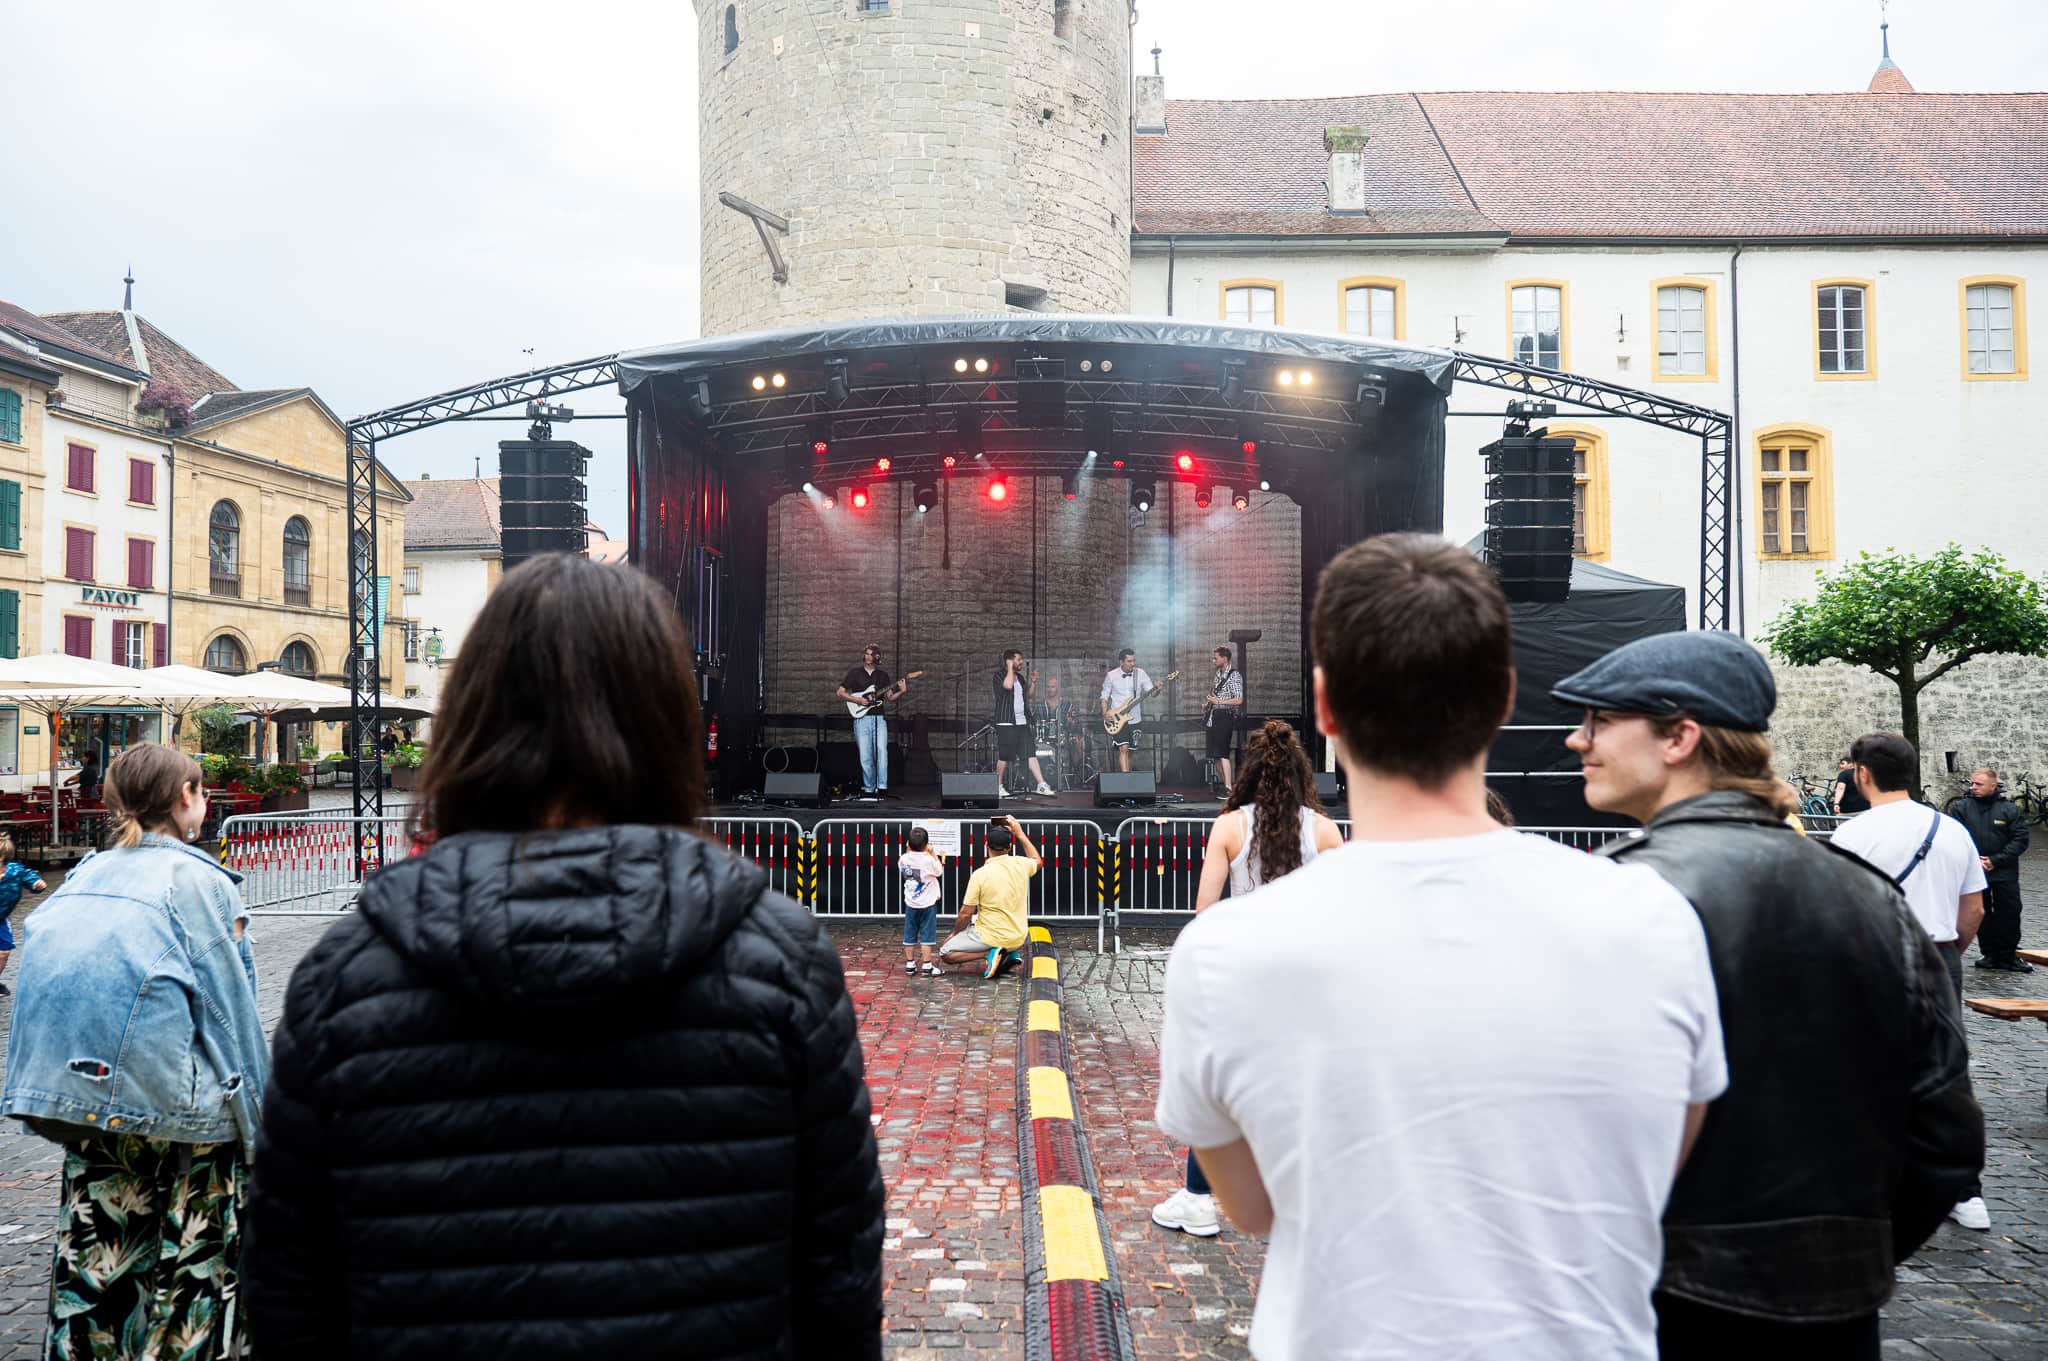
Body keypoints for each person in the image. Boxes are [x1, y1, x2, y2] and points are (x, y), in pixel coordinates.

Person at [244, 554, 885, 1360]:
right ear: (665, 721)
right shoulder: (784, 964)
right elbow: (839, 1291)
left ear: (473, 717)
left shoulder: (343, 979)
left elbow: (288, 1301)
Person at [1157, 533, 1725, 1361]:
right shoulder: (1654, 919)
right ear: (1503, 697)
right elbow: (1662, 1164)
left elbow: (1251, 1205)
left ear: (1326, 706)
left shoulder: (1221, 953)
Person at [1553, 633, 1984, 1360]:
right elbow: (1946, 1136)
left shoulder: (1614, 892)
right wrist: (1839, 1259)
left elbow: (1556, 1133)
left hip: (1655, 1311)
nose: (1578, 739)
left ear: (1680, 738)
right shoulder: (1872, 898)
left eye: (1600, 720)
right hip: (1835, 1318)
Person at [2, 743, 268, 1361]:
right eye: (200, 790)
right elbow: (231, 1009)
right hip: (186, 1115)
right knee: (192, 1283)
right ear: (186, 798)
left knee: (97, 1270)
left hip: (88, 1106)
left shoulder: (85, 874)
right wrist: (262, 1132)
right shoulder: (201, 881)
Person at [1152, 719, 1342, 1240]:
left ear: (1249, 772)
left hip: (1243, 974)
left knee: (1222, 1088)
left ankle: (1197, 1199)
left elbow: (1205, 909)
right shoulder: (1325, 832)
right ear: (1301, 773)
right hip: (1305, 977)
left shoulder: (1230, 826)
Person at [1831, 732, 1992, 1233]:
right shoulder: (1952, 829)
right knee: (1947, 1069)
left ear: (1863, 774)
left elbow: (1838, 911)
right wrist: (1949, 952)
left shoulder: (1852, 835)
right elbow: (1974, 909)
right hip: (1939, 953)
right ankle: (1966, 1192)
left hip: (1874, 955)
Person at [1945, 766, 2032, 973]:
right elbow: (1953, 836)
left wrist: (1996, 860)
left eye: (1979, 784)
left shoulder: (2009, 809)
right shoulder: (1961, 807)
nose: (1973, 787)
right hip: (1974, 871)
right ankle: (1990, 954)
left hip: (2004, 871)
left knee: (2009, 912)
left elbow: (2020, 839)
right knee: (1980, 913)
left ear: (1993, 786)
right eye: (1972, 783)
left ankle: (2008, 955)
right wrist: (1974, 861)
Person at [940, 813, 1039, 979]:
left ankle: (990, 953)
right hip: (1018, 937)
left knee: (946, 953)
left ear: (987, 846)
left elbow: (965, 913)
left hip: (991, 936)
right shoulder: (1022, 864)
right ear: (1010, 847)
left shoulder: (980, 875)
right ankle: (1007, 954)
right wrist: (1020, 833)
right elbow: (1037, 860)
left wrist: (954, 933)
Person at [835, 643, 908, 801]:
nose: (868, 657)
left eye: (871, 654)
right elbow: (840, 693)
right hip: (861, 718)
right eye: (866, 654)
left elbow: (890, 697)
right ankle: (869, 788)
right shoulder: (855, 673)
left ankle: (882, 787)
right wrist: (857, 700)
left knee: (882, 751)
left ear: (877, 657)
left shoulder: (883, 676)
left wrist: (902, 691)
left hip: (879, 718)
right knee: (865, 755)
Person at [994, 649, 1054, 796]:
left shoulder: (1020, 678)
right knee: (1005, 756)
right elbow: (1008, 686)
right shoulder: (999, 676)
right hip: (1006, 722)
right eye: (1018, 659)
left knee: (1030, 753)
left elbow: (1029, 696)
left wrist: (1033, 683)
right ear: (1009, 661)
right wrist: (1009, 668)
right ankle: (998, 786)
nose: (1021, 662)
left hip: (1022, 722)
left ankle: (1041, 784)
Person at [0, 833, 46, 995]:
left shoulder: (15, 871)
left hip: (1, 918)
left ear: (2, 857)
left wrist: (37, 883)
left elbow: (31, 878)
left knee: (4, 951)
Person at [899, 826, 945, 977]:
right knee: (927, 934)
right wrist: (933, 853)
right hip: (927, 904)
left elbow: (904, 866)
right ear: (926, 844)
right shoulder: (928, 860)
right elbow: (938, 871)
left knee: (909, 933)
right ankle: (927, 965)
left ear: (908, 843)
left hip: (911, 903)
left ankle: (910, 964)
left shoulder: (903, 858)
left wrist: (909, 850)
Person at [1100, 648, 1154, 774]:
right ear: (1121, 662)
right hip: (1117, 719)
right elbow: (1104, 697)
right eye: (1129, 661)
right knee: (1123, 748)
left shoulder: (1140, 674)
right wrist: (1105, 713)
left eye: (1134, 661)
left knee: (1130, 751)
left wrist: (1158, 689)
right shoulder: (1111, 676)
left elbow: (1152, 693)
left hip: (1135, 719)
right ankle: (1125, 779)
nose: (1132, 664)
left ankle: (1128, 779)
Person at [1202, 645, 1245, 794]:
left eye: (1216, 658)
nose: (1213, 660)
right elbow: (1216, 695)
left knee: (1223, 753)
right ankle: (1225, 786)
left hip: (1224, 716)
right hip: (1213, 717)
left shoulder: (1234, 675)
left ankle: (1228, 787)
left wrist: (1218, 702)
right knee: (1214, 755)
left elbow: (1239, 700)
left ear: (1224, 658)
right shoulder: (1218, 674)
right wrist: (1208, 704)